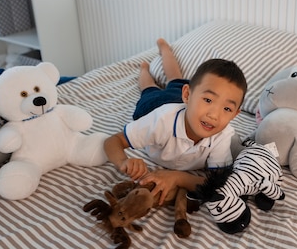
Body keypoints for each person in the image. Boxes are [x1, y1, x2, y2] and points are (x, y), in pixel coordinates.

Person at [104, 38, 247, 205]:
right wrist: (123, 161)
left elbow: (217, 184)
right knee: (149, 89)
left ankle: (165, 55)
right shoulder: (160, 120)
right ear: (187, 95)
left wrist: (179, 178)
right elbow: (113, 141)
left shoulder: (223, 134)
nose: (214, 115)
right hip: (156, 105)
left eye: (227, 109)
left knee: (176, 81)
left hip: (188, 108)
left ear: (235, 115)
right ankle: (151, 62)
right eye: (208, 100)